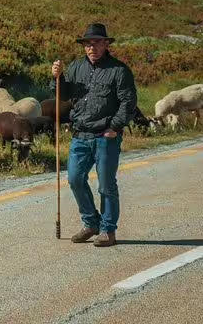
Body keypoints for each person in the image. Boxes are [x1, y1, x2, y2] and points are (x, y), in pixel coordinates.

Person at [51, 23, 137, 247]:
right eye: (88, 44)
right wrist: (57, 78)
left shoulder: (119, 70)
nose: (92, 48)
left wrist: (115, 127)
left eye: (97, 43)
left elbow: (128, 102)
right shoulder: (76, 67)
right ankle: (91, 223)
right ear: (84, 46)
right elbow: (63, 94)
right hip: (80, 135)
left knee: (106, 184)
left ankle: (108, 230)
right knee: (75, 179)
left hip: (105, 135)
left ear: (106, 44)